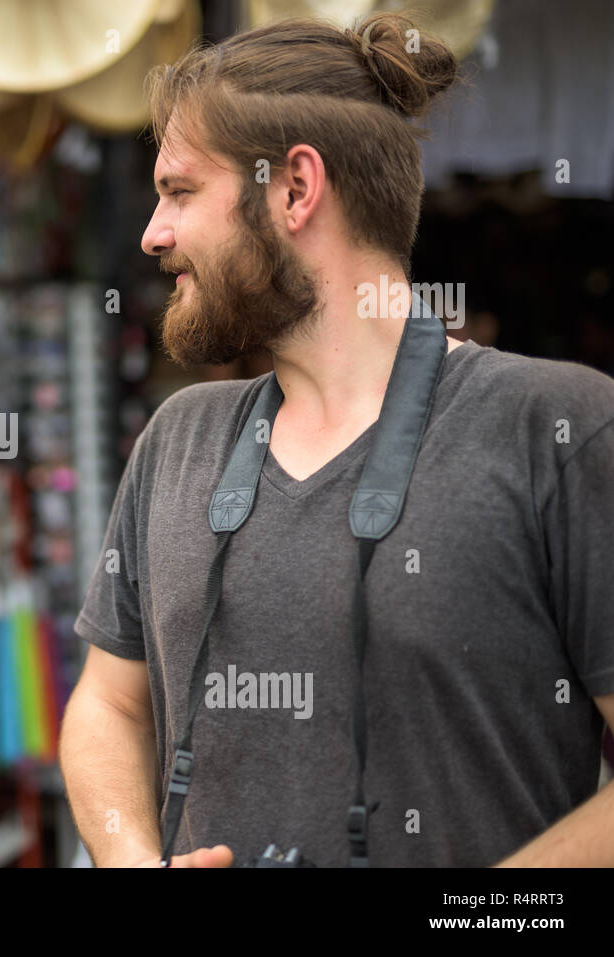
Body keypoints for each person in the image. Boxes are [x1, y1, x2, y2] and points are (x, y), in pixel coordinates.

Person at [60, 12, 614, 867]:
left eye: (179, 192)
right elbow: (108, 705)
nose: (152, 235)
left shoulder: (557, 430)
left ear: (293, 189)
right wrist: (134, 858)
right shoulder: (178, 440)